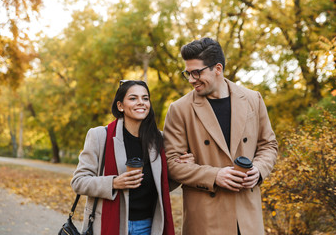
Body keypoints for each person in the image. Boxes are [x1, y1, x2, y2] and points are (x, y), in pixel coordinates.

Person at [163, 37, 278, 235]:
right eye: (188, 73)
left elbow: (268, 145)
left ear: (217, 68)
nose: (191, 79)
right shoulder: (179, 109)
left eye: (196, 72)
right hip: (206, 219)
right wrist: (215, 175)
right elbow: (172, 164)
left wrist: (258, 170)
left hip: (247, 216)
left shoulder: (253, 99)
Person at [71, 80, 192, 235]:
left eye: (145, 98)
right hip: (108, 224)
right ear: (120, 106)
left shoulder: (159, 139)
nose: (141, 103)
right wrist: (114, 183)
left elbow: (163, 185)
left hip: (148, 226)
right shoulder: (100, 136)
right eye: (133, 98)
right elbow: (78, 182)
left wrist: (183, 167)